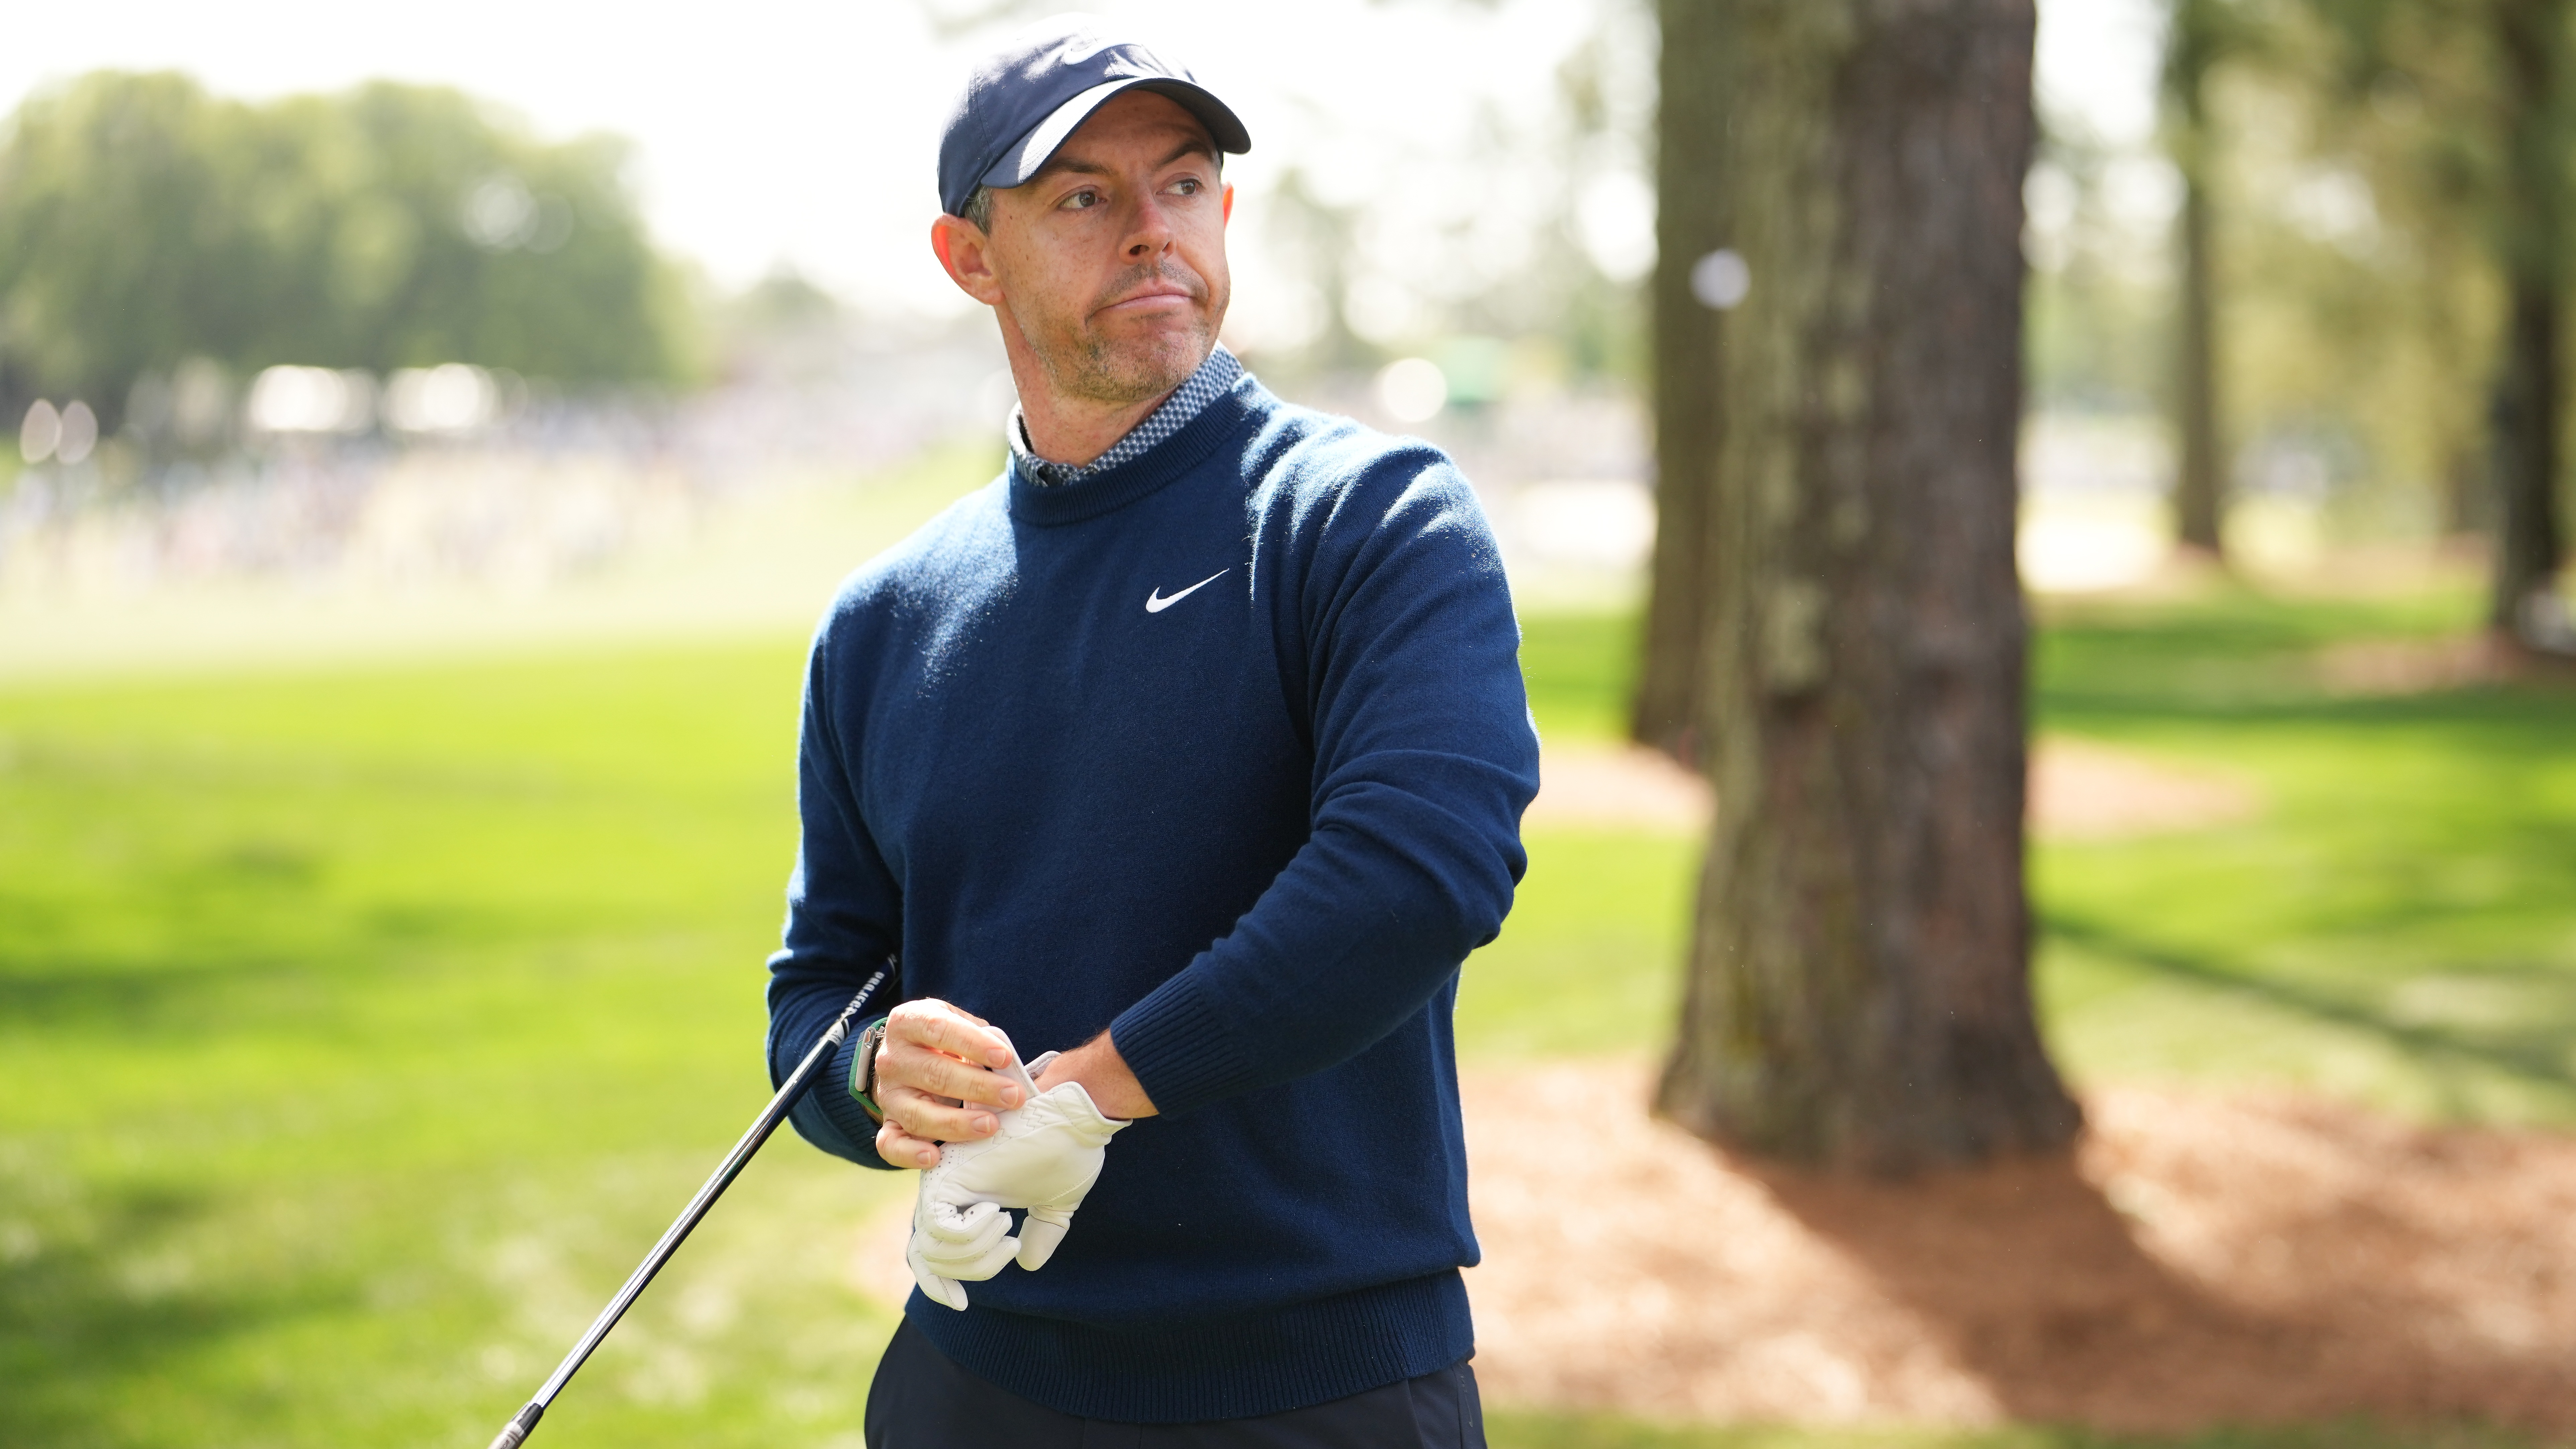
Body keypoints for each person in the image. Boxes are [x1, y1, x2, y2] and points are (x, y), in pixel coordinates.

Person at [763, 14, 1538, 1446]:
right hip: (973, 1382)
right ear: (970, 258)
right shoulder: (882, 618)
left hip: (1314, 1387)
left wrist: (1093, 1098)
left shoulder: (1367, 518)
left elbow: (1421, 873)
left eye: (1180, 184)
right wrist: (876, 1068)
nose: (1150, 231)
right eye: (1082, 197)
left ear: (1223, 215)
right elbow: (815, 997)